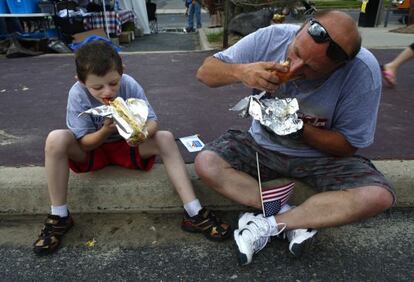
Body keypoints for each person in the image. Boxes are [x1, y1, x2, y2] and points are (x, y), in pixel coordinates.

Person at [195, 10, 395, 265]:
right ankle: (294, 217)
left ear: (339, 67)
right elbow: (205, 72)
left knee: (379, 196)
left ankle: (268, 224)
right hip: (261, 147)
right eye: (296, 53)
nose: (296, 67)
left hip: (321, 158)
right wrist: (241, 71)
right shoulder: (271, 38)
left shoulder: (362, 72)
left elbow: (347, 147)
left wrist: (299, 128)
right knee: (206, 163)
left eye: (311, 69)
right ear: (300, 28)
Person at [33, 41, 231, 255]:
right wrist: (106, 130)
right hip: (92, 150)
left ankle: (194, 212)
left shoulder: (129, 84)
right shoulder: (77, 94)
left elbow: (153, 121)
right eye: (97, 87)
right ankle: (59, 216)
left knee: (165, 137)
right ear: (81, 81)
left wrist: (142, 134)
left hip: (126, 147)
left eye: (113, 83)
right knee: (55, 138)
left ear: (122, 71)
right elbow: (83, 142)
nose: (107, 91)